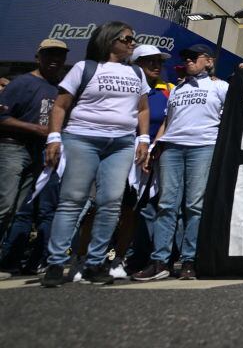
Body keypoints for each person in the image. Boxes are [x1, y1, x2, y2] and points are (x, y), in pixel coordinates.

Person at [41, 22, 149, 287]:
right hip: (83, 138)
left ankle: (94, 263)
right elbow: (61, 105)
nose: (132, 43)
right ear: (109, 39)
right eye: (127, 39)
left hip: (122, 143)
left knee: (111, 202)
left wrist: (143, 138)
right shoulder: (84, 68)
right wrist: (54, 137)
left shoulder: (136, 72)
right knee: (72, 200)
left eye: (133, 39)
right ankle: (56, 263)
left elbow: (143, 108)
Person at [134, 44, 228, 282]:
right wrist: (154, 146)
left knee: (194, 205)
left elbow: (230, 119)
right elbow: (167, 121)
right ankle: (160, 261)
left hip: (203, 146)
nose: (187, 60)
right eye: (185, 57)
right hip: (171, 148)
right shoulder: (176, 89)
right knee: (166, 205)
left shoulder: (220, 86)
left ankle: (189, 261)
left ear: (208, 61)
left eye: (193, 57)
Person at [0, 39, 67, 277]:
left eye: (59, 56)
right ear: (38, 57)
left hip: (42, 154)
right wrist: (36, 129)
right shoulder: (22, 83)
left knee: (22, 209)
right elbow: (2, 119)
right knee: (5, 204)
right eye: (49, 55)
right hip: (13, 147)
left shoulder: (60, 89)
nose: (54, 60)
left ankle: (9, 261)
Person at [122, 44, 174, 273]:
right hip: (126, 156)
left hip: (157, 158)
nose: (156, 65)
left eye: (159, 61)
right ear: (135, 64)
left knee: (151, 208)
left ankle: (141, 258)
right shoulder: (127, 90)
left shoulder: (169, 91)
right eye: (149, 61)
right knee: (121, 208)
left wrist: (154, 149)